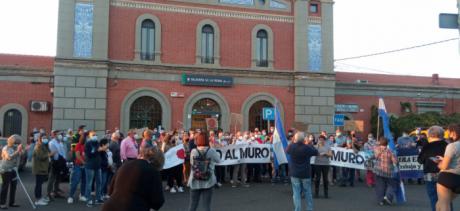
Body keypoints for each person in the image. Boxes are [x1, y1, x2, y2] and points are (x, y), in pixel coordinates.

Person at [102, 146, 165, 211]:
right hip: (132, 207)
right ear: (158, 161)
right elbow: (158, 200)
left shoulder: (125, 165)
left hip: (110, 206)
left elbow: (111, 190)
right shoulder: (153, 171)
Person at [418, 126, 449, 211]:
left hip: (430, 175)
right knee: (446, 200)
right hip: (445, 174)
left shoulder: (427, 146)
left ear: (429, 135)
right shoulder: (447, 145)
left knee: (434, 198)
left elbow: (420, 160)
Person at [188, 132, 221, 211]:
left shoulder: (193, 151)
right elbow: (218, 160)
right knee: (206, 206)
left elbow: (192, 163)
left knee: (193, 205)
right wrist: (212, 147)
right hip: (208, 180)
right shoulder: (211, 151)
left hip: (195, 179)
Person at [286, 132, 319, 211]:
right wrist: (309, 144)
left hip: (294, 173)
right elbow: (316, 152)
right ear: (304, 139)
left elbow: (287, 150)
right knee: (308, 192)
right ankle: (309, 209)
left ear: (295, 139)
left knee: (296, 193)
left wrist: (293, 140)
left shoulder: (292, 146)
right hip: (305, 173)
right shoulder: (307, 147)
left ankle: (297, 209)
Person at [436, 124, 460, 211]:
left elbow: (444, 166)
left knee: (444, 206)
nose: (449, 135)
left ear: (454, 133)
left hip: (448, 178)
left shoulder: (452, 146)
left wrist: (439, 163)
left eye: (449, 133)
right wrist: (445, 159)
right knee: (439, 204)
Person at [372, 137, 398, 206]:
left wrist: (379, 144)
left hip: (378, 170)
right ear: (387, 144)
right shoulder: (390, 151)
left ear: (380, 142)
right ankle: (388, 197)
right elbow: (395, 161)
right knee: (392, 185)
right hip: (388, 171)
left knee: (380, 186)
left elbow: (374, 150)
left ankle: (381, 201)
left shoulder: (376, 149)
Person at [0, 135, 23, 209]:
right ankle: (2, 203)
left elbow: (19, 155)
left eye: (18, 143)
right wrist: (17, 151)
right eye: (16, 142)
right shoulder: (5, 148)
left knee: (14, 186)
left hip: (14, 169)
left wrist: (20, 151)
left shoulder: (14, 148)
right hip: (6, 170)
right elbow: (9, 157)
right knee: (5, 186)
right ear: (12, 142)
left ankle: (12, 202)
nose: (17, 144)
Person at [85, 132, 106, 207]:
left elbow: (100, 153)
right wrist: (98, 150)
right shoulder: (88, 144)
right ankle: (89, 200)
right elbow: (89, 154)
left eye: (96, 135)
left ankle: (98, 198)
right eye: (93, 135)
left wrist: (103, 149)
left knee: (99, 182)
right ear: (89, 136)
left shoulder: (97, 142)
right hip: (90, 166)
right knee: (89, 183)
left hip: (98, 166)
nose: (95, 136)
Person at [68, 132, 87, 204]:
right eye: (84, 138)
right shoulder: (78, 145)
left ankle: (82, 195)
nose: (85, 139)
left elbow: (85, 155)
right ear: (81, 139)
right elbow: (77, 156)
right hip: (78, 166)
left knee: (84, 181)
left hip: (84, 166)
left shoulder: (84, 146)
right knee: (75, 181)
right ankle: (70, 196)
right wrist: (84, 162)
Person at [47, 130, 67, 199]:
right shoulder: (52, 143)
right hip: (55, 162)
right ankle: (49, 194)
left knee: (58, 178)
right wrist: (58, 161)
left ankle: (56, 192)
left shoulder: (60, 142)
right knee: (51, 178)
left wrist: (64, 160)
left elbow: (62, 151)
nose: (60, 135)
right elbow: (54, 154)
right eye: (58, 134)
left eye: (60, 134)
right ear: (54, 135)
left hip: (61, 162)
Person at [32, 134, 50, 206]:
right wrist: (49, 155)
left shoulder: (43, 146)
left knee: (40, 183)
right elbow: (41, 157)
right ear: (40, 139)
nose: (45, 139)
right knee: (38, 184)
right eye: (43, 138)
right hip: (39, 168)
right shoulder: (38, 146)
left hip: (43, 168)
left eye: (46, 137)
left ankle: (40, 197)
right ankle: (38, 199)